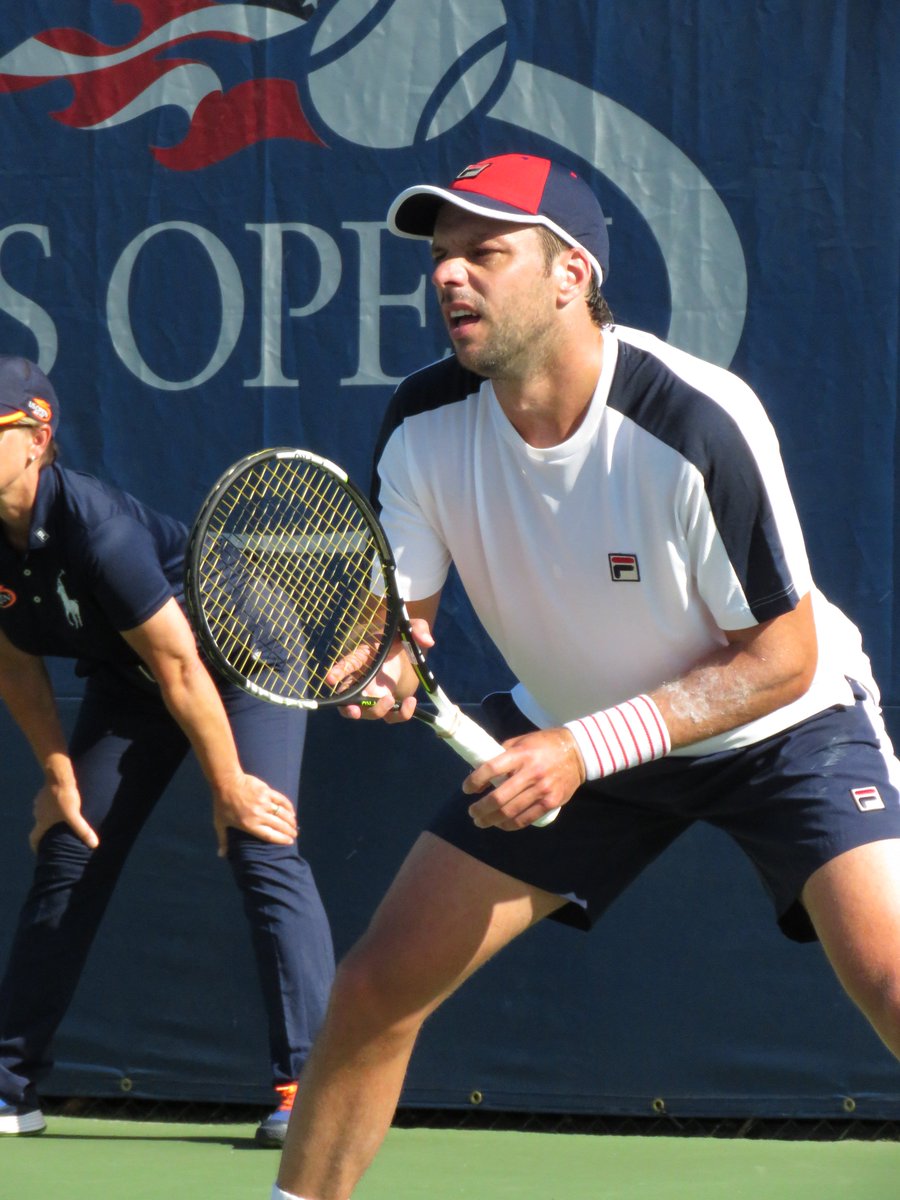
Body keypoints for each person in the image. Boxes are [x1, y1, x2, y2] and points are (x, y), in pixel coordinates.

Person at [272, 152, 900, 1200]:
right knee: (377, 986)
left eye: (485, 252)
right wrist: (384, 660)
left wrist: (581, 749)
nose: (449, 276)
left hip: (776, 725)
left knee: (890, 977)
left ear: (570, 273)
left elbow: (782, 656)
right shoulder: (425, 428)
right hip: (567, 724)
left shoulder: (697, 420)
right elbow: (403, 620)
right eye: (440, 257)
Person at [0, 357, 335, 1147]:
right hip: (134, 675)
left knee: (260, 838)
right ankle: (10, 1087)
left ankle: (311, 1090)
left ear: (37, 439)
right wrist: (58, 779)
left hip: (244, 658)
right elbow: (14, 665)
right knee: (70, 846)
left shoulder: (98, 528)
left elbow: (186, 667)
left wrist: (226, 785)